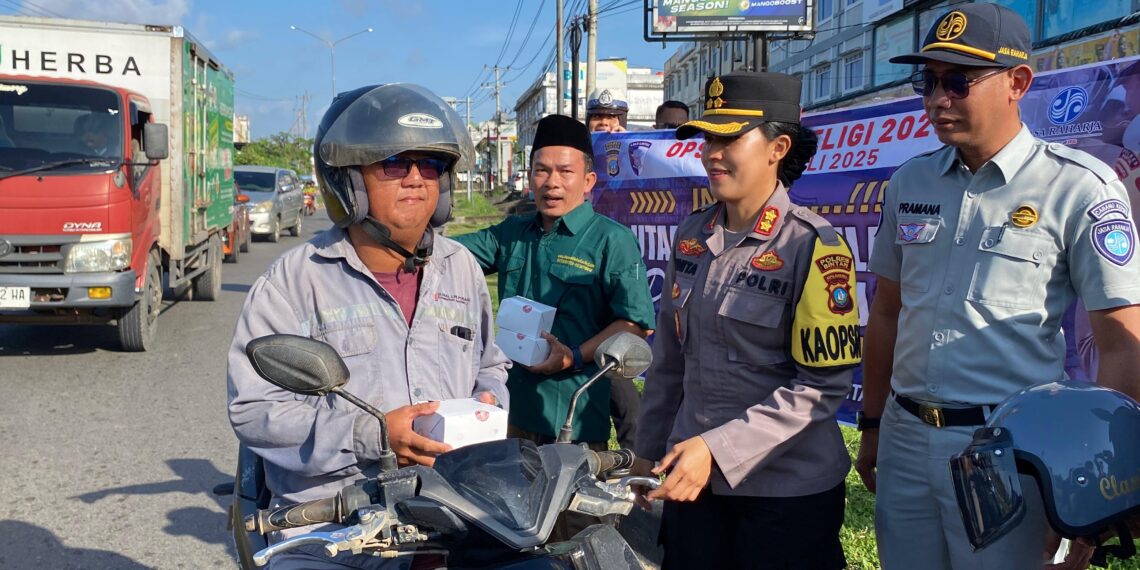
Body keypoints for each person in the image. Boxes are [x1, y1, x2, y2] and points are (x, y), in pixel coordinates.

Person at [856, 4, 1140, 569]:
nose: (938, 99)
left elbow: (1120, 342)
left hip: (1008, 454)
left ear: (1018, 83)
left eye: (958, 81)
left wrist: (1100, 495)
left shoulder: (1078, 187)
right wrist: (871, 428)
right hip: (907, 439)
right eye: (928, 81)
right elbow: (886, 313)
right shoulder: (910, 180)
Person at [227, 83, 510, 570]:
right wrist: (372, 433)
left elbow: (490, 366)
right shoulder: (294, 282)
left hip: (453, 515)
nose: (417, 180)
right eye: (395, 165)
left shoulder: (460, 267)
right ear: (348, 182)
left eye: (431, 166)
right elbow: (255, 409)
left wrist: (488, 404)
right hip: (332, 531)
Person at [634, 71, 859, 569]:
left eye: (730, 138)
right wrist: (645, 453)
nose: (713, 152)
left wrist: (716, 450)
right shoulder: (692, 236)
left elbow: (821, 387)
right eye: (709, 138)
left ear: (778, 146)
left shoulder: (812, 246)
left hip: (785, 495)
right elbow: (669, 362)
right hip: (694, 487)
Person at [454, 113, 655, 454]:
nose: (552, 182)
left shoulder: (611, 239)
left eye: (565, 171)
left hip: (573, 417)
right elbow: (446, 254)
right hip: (510, 412)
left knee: (574, 507)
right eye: (542, 170)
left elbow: (635, 325)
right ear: (530, 176)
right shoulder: (511, 233)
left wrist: (572, 357)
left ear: (589, 180)